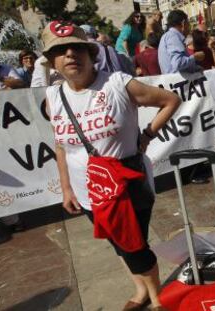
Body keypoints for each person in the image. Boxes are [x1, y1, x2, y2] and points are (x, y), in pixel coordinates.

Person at [41, 21, 180, 311]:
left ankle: (157, 300)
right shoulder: (53, 98)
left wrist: (147, 135)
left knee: (136, 246)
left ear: (91, 54)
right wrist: (67, 188)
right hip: (89, 191)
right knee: (118, 244)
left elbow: (170, 100)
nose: (70, 54)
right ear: (52, 61)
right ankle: (140, 290)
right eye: (60, 50)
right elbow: (61, 145)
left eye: (77, 48)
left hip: (128, 184)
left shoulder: (118, 83)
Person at [158, 9, 205, 74]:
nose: (189, 27)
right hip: (177, 81)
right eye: (188, 23)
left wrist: (195, 68)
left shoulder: (168, 36)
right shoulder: (173, 36)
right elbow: (178, 64)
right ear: (183, 23)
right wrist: (195, 57)